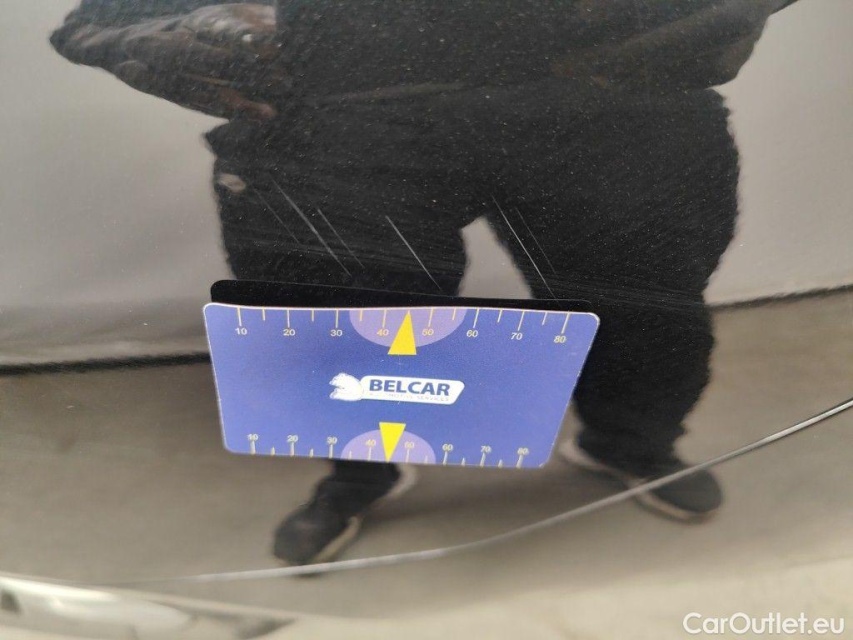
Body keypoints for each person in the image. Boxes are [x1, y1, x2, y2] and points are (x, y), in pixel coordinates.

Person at [51, 0, 788, 565]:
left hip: (614, 92)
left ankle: (631, 442)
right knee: (337, 325)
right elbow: (103, 19)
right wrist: (186, 35)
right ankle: (362, 472)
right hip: (341, 99)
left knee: (644, 303)